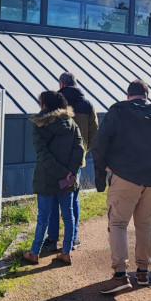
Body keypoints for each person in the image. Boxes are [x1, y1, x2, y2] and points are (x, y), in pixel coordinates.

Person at [92, 79, 151, 293]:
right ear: (147, 95)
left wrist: (104, 165)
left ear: (128, 95)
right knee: (145, 225)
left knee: (118, 224)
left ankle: (120, 275)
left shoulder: (117, 112)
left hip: (124, 177)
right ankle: (143, 272)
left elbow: (98, 142)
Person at [22, 91, 84, 266]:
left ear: (45, 105)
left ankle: (34, 253)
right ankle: (66, 252)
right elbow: (79, 149)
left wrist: (60, 172)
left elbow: (42, 154)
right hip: (68, 180)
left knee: (44, 217)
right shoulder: (72, 124)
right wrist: (69, 173)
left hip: (46, 178)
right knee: (69, 216)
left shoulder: (39, 124)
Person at [42, 72, 99, 252]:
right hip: (76, 161)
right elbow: (94, 132)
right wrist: (82, 153)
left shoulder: (54, 102)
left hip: (55, 160)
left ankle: (51, 240)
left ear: (61, 84)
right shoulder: (88, 105)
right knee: (72, 199)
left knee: (52, 199)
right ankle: (72, 238)